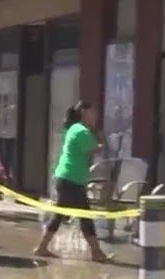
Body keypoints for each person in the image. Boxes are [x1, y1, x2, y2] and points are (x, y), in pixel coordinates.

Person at [34, 101, 112, 263]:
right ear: (83, 113)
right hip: (71, 180)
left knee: (62, 215)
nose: (96, 116)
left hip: (69, 178)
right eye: (93, 113)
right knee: (84, 216)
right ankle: (96, 253)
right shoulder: (81, 131)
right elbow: (92, 150)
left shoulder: (75, 129)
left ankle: (42, 247)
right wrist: (101, 141)